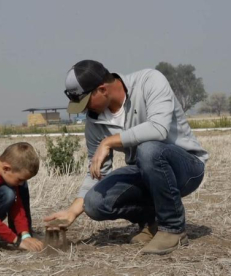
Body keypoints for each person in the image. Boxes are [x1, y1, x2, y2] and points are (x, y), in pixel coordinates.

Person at [44, 60, 208, 255]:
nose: (85, 110)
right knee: (94, 203)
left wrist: (109, 142)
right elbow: (98, 171)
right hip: (145, 172)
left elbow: (159, 128)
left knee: (148, 150)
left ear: (102, 89)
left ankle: (172, 228)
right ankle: (152, 221)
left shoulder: (150, 81)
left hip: (186, 168)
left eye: (85, 102)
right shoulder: (95, 121)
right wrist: (72, 211)